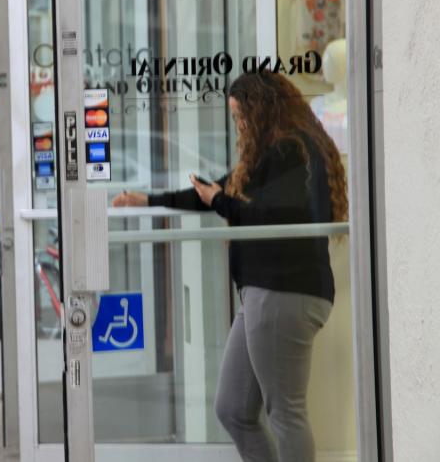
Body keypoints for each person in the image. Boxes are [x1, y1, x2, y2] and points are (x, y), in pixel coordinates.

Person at [114, 70, 347, 462]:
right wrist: (148, 200)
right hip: (263, 294)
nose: (239, 125)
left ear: (261, 111)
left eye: (241, 116)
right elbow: (214, 194)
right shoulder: (271, 155)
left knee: (285, 412)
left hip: (283, 292)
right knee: (233, 409)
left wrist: (222, 201)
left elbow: (274, 216)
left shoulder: (293, 150)